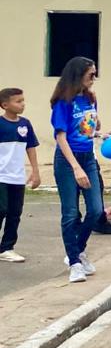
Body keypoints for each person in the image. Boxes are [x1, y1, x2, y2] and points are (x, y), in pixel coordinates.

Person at [50, 57, 106, 283]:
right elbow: (61, 137)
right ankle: (74, 262)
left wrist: (99, 131)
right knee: (71, 212)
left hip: (87, 157)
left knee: (96, 209)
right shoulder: (63, 102)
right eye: (90, 74)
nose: (94, 78)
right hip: (67, 159)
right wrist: (75, 168)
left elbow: (88, 128)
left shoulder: (91, 98)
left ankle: (78, 250)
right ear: (78, 74)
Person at [0, 88, 39, 263]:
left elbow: (31, 147)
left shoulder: (25, 124)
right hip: (1, 176)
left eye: (23, 100)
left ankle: (6, 248)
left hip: (17, 177)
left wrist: (35, 171)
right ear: (5, 105)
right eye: (18, 101)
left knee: (15, 213)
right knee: (1, 209)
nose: (22, 104)